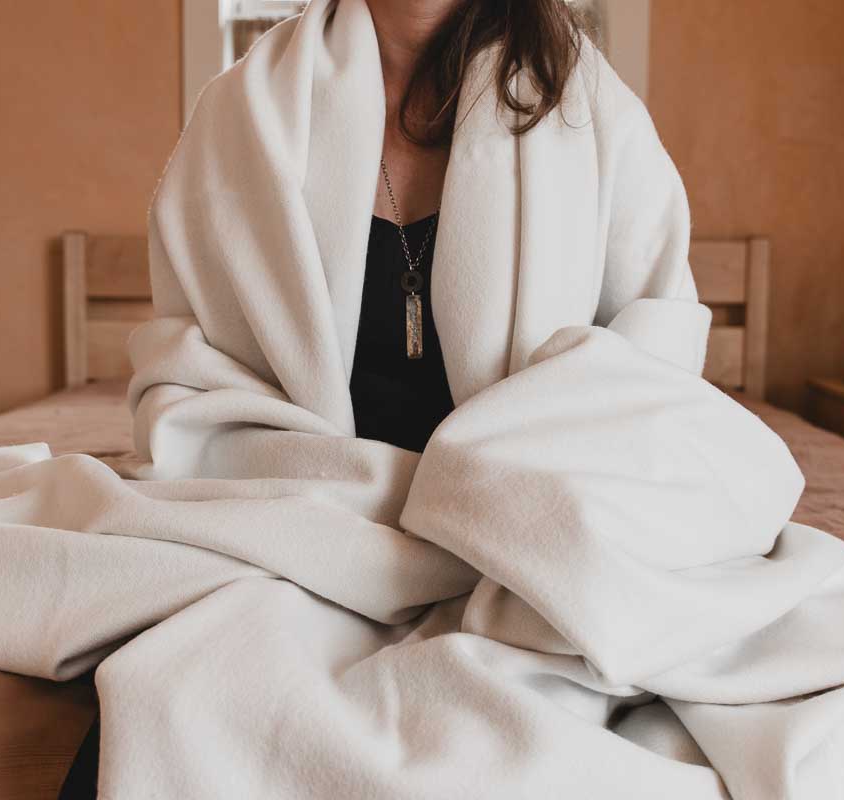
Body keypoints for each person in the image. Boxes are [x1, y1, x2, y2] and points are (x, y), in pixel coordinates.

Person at [53, 1, 682, 796]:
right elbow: (194, 375)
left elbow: (649, 374)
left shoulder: (590, 110)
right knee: (171, 694)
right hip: (301, 520)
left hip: (522, 531)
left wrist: (495, 496)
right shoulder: (243, 112)